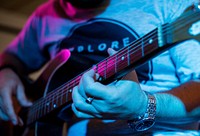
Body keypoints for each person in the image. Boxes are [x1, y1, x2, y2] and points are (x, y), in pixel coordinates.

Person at [0, 0, 200, 135]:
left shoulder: (172, 4)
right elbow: (12, 57)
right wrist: (6, 71)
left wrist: (143, 105)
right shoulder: (45, 15)